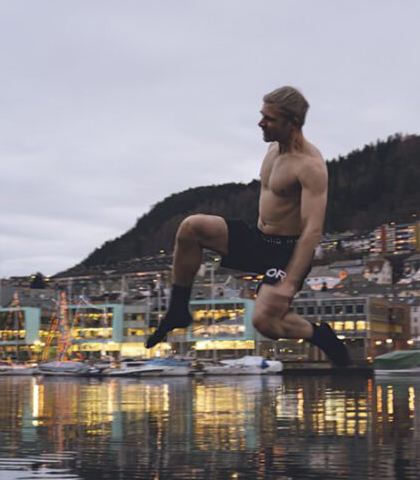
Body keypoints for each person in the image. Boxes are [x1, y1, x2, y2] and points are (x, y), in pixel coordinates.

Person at [145, 86, 350, 367]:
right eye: (261, 115)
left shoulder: (309, 166)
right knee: (191, 228)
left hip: (285, 252)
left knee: (265, 322)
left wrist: (290, 282)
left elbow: (312, 230)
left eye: (269, 119)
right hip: (258, 238)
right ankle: (178, 310)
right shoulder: (272, 148)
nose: (260, 123)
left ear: (292, 123)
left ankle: (321, 336)